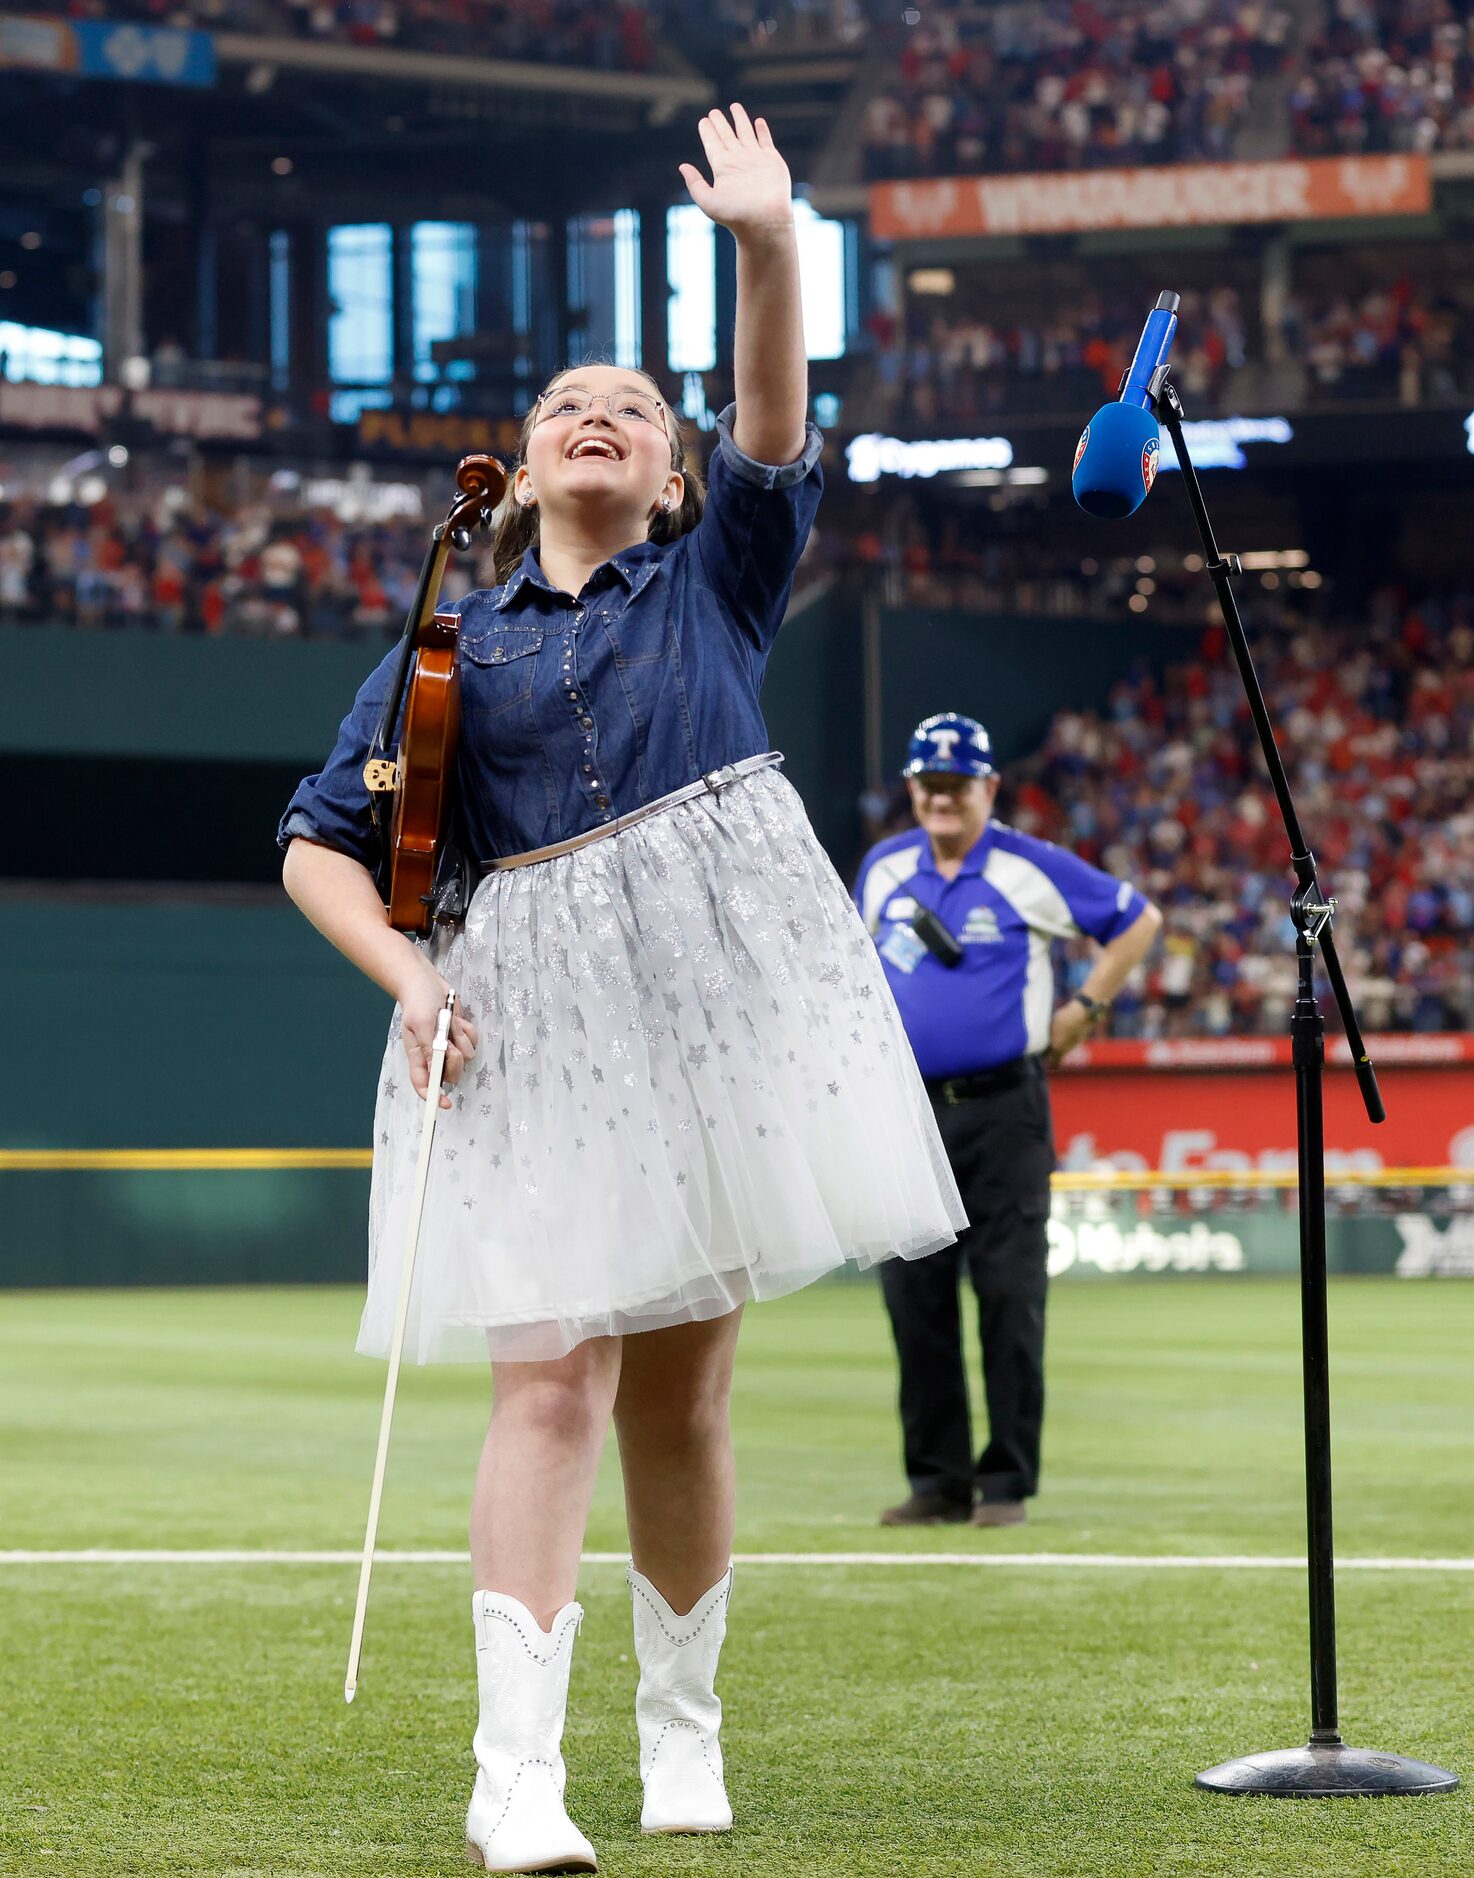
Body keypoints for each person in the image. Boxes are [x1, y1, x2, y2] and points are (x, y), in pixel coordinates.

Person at [278, 107, 964, 1876]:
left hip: (710, 1016)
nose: (601, 412)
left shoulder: (716, 581)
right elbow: (315, 846)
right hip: (530, 1019)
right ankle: (513, 1772)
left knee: (678, 1392)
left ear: (669, 476)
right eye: (566, 402)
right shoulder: (441, 647)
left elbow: (771, 409)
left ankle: (682, 1730)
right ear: (510, 473)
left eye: (634, 410)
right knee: (546, 1380)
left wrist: (763, 243)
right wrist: (405, 971)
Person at [854, 712, 1161, 1530]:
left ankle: (1006, 1483)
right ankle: (938, 1481)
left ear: (990, 787)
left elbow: (1138, 920)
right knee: (914, 1302)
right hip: (908, 1115)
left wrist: (1085, 1008)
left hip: (1004, 1111)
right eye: (930, 784)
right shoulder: (883, 869)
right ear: (913, 789)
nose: (943, 798)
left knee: (1009, 1296)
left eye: (959, 785)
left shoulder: (1030, 866)